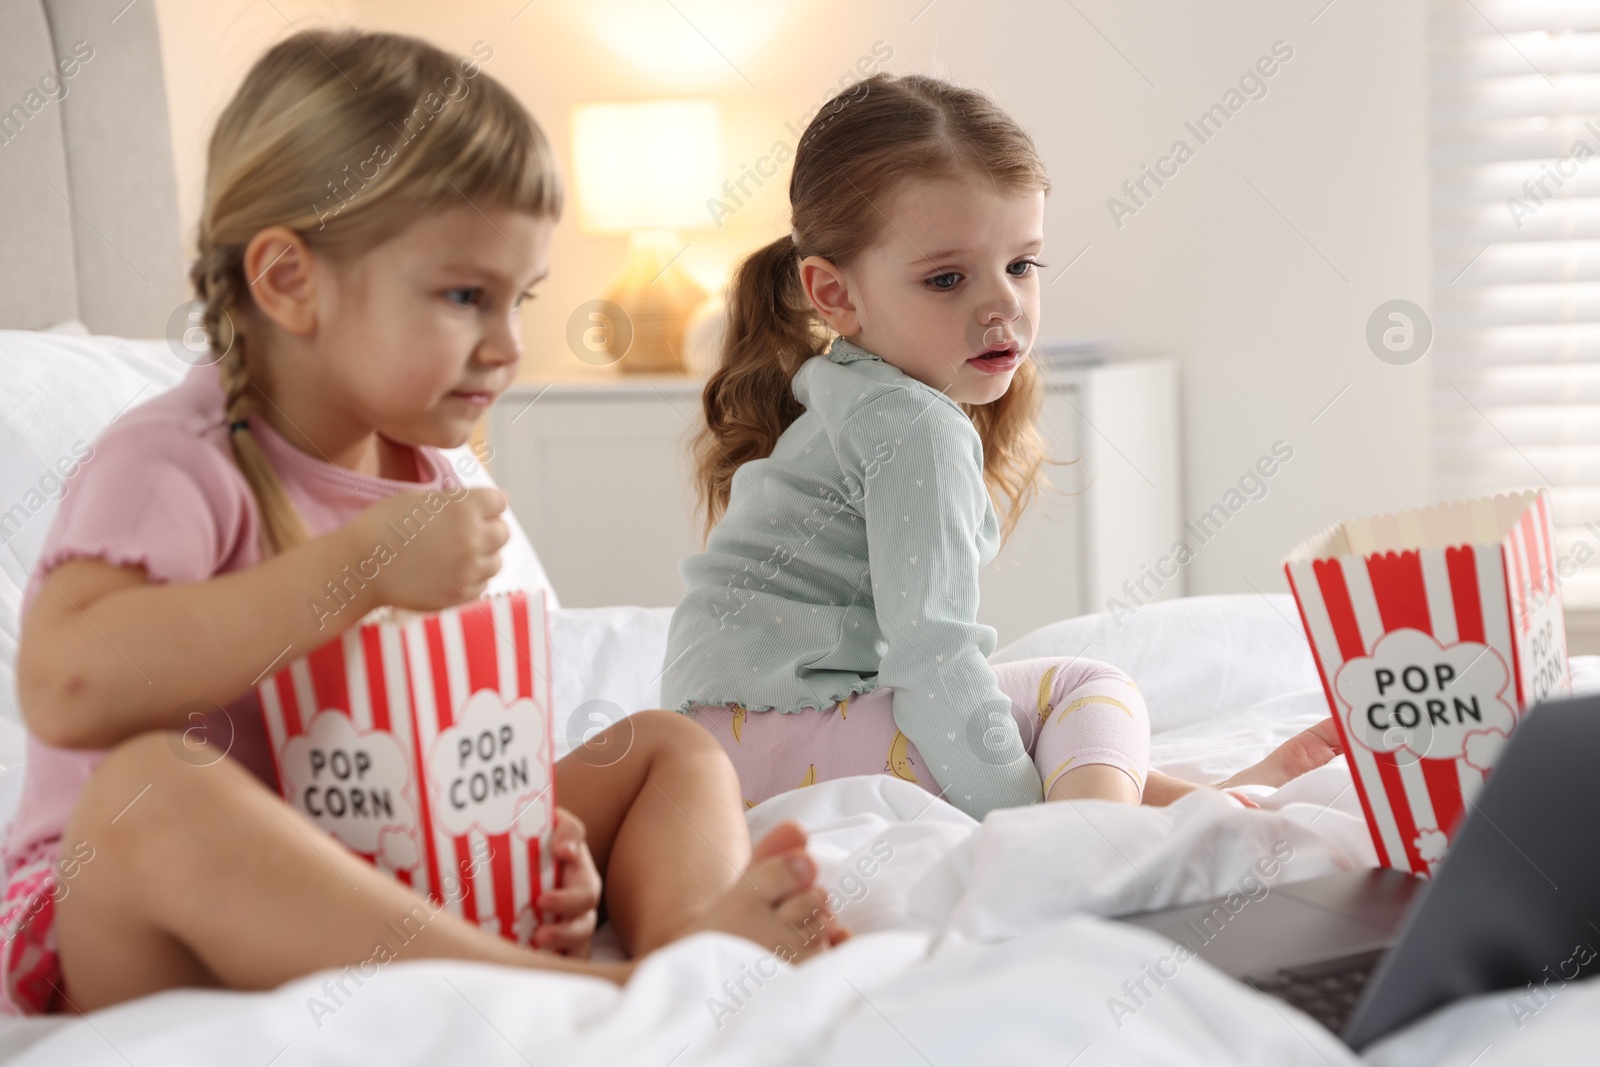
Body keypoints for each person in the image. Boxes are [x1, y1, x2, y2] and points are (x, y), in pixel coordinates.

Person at [1, 29, 841, 1017]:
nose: (508, 346)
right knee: (150, 786)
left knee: (663, 745)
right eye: (462, 296)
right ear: (287, 280)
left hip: (385, 847)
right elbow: (67, 684)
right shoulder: (177, 456)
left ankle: (692, 942)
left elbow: (438, 729)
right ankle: (603, 990)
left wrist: (529, 836)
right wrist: (356, 569)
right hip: (139, 908)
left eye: (518, 299)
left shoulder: (429, 470)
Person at [661, 73, 1338, 819]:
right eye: (947, 278)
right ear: (835, 295)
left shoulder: (846, 388)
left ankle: (1193, 799)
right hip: (785, 737)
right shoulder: (915, 426)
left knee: (1016, 705)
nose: (1003, 305)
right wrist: (1024, 816)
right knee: (1088, 688)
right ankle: (1093, 836)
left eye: (1021, 264)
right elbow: (934, 660)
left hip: (722, 742)